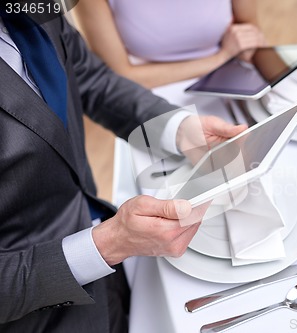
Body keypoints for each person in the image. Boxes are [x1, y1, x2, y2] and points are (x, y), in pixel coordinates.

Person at [0, 10, 246, 333]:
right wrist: (108, 244)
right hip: (41, 315)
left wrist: (179, 129)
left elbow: (90, 79)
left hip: (104, 253)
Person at [72, 0, 266, 88]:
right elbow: (119, 76)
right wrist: (220, 58)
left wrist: (246, 50)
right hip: (146, 95)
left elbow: (249, 36)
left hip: (226, 81)